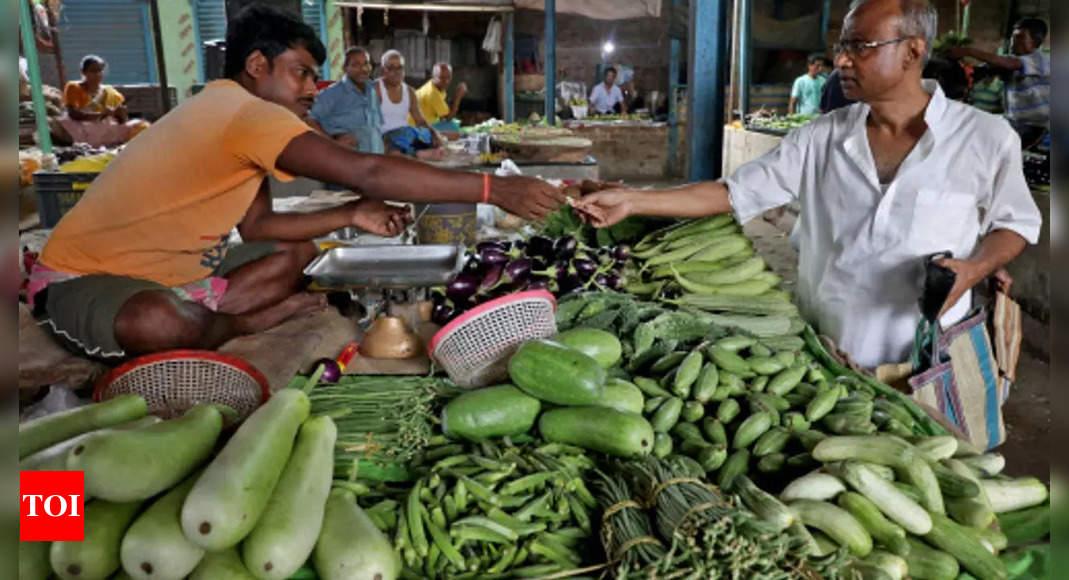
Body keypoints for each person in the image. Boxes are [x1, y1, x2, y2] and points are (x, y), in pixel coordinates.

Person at [29, 6, 563, 360]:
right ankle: (234, 325)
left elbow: (259, 224)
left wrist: (353, 214)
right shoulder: (243, 112)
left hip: (181, 276)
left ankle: (209, 315)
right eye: (301, 72)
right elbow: (367, 170)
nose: (313, 87)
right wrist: (494, 189)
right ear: (257, 65)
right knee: (157, 323)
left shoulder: (233, 113)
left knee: (298, 252)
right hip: (86, 277)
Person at [575, 0, 1040, 370]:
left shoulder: (984, 138)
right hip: (826, 352)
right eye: (842, 45)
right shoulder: (822, 136)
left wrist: (975, 269)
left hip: (929, 358)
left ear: (912, 51)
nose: (841, 60)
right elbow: (733, 194)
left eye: (861, 46)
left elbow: (1014, 223)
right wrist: (633, 199)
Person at [947, 18, 1049, 148]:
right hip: (1014, 122)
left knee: (983, 138)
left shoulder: (1039, 60)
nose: (1013, 41)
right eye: (1012, 37)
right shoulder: (1010, 62)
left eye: (1019, 37)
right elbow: (982, 71)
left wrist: (968, 51)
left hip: (1035, 126)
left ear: (1035, 41)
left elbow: (1008, 64)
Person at [58, 55, 150, 147]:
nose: (97, 74)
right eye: (93, 71)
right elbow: (73, 114)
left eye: (100, 71)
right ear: (83, 72)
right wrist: (100, 115)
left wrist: (121, 115)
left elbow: (122, 121)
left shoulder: (111, 93)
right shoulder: (74, 87)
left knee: (143, 126)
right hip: (82, 127)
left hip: (106, 127)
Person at [307, 46, 383, 154]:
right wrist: (332, 143)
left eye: (366, 63)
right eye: (356, 65)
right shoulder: (332, 93)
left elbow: (376, 127)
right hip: (347, 161)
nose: (364, 69)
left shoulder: (372, 90)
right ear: (345, 68)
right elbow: (308, 120)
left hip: (375, 160)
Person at [375, 50, 441, 153]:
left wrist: (434, 134)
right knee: (403, 135)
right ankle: (415, 153)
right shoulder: (377, 88)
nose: (397, 72)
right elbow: (369, 121)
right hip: (384, 137)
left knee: (426, 134)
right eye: (391, 68)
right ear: (383, 70)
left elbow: (420, 120)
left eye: (400, 68)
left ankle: (413, 151)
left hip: (405, 136)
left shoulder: (409, 91)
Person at [414, 62, 468, 131]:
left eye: (448, 77)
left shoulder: (433, 85)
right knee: (453, 126)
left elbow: (443, 114)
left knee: (455, 122)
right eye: (442, 78)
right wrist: (458, 96)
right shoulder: (433, 93)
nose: (446, 81)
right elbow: (448, 117)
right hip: (418, 128)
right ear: (433, 76)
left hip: (423, 123)